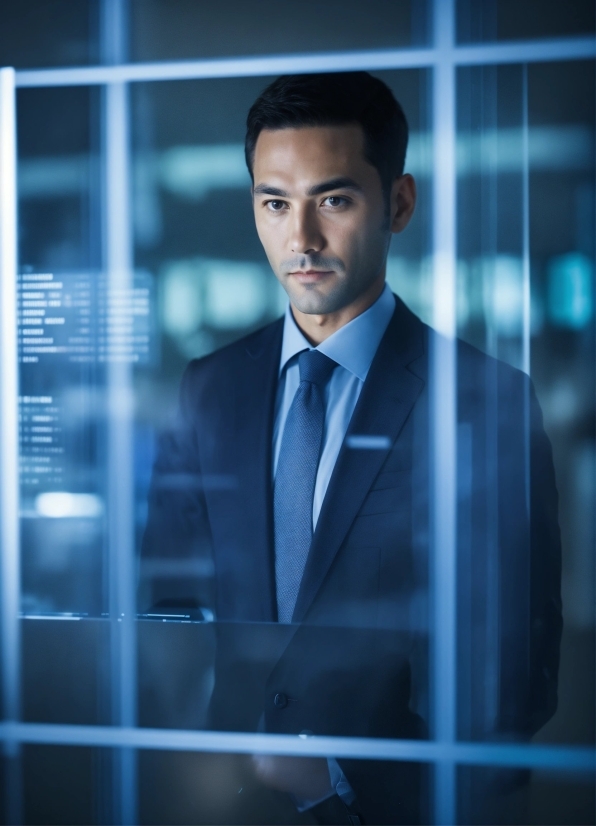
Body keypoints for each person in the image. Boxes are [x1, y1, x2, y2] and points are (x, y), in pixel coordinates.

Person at [140, 72, 562, 825]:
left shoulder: (483, 399)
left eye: (333, 200)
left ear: (398, 203)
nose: (300, 238)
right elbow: (167, 612)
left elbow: (514, 673)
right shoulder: (210, 390)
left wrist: (333, 780)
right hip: (216, 807)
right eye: (276, 204)